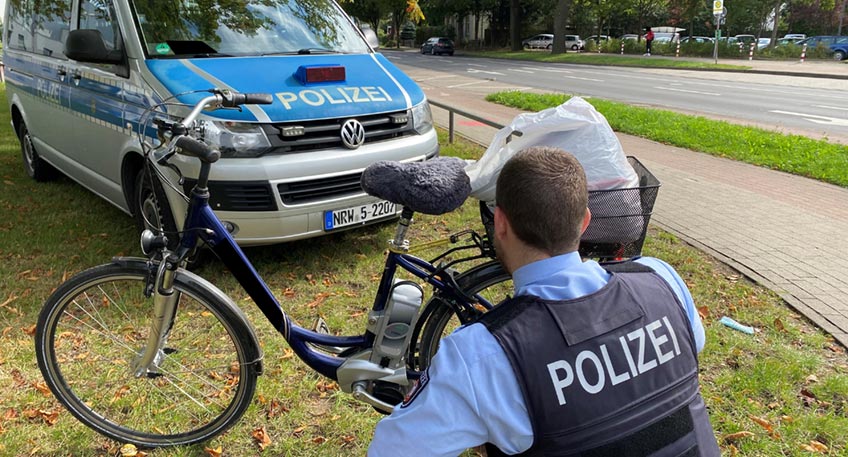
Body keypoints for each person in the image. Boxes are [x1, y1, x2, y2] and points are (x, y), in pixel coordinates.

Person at [368, 147, 720, 456]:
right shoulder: (660, 278)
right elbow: (690, 349)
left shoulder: (480, 357)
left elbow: (392, 451)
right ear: (585, 221)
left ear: (500, 223)